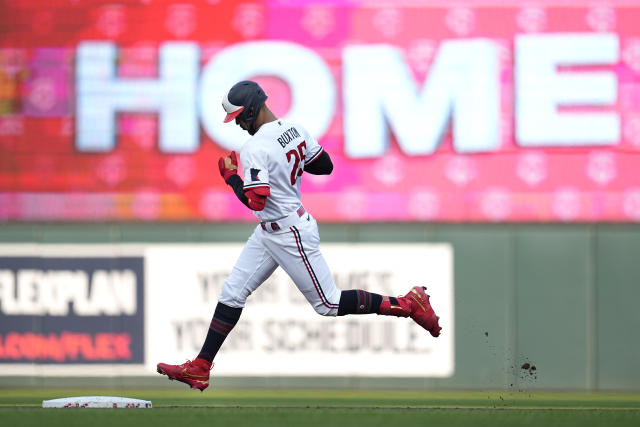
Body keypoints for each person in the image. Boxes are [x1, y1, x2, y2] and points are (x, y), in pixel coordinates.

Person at [156, 80, 441, 391]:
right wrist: (288, 164)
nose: (238, 123)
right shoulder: (295, 130)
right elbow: (325, 166)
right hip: (270, 229)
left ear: (252, 108)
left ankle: (407, 303)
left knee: (328, 304)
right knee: (232, 292)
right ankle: (201, 366)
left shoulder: (254, 147)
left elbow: (255, 200)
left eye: (239, 116)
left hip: (288, 230)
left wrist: (232, 177)